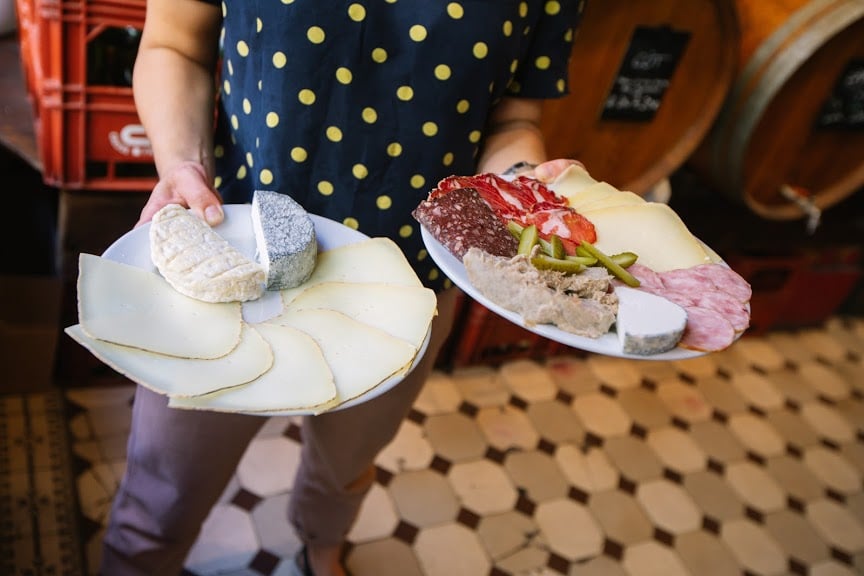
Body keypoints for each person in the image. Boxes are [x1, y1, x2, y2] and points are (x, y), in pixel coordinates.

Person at [102, 1, 587, 574]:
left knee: (344, 466)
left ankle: (320, 549)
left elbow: (512, 116)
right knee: (165, 483)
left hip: (409, 284)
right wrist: (182, 164)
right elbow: (175, 44)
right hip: (229, 256)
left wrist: (519, 189)